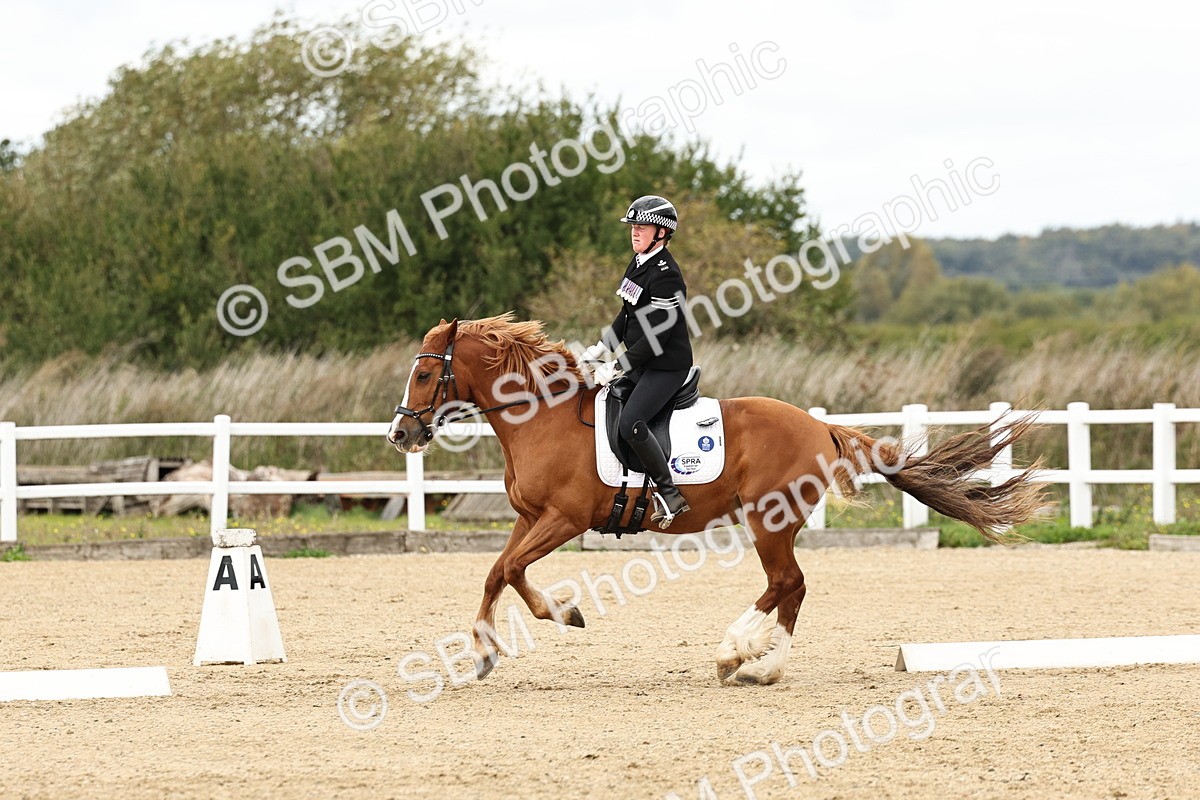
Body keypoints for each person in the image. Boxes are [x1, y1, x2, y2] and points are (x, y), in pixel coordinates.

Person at [582, 195, 694, 528]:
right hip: (643, 363)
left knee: (631, 421)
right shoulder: (639, 262)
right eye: (633, 226)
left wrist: (618, 366)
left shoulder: (667, 276)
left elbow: (655, 336)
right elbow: (627, 314)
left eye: (642, 227)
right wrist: (602, 346)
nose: (635, 232)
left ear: (661, 233)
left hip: (666, 367)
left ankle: (670, 493)